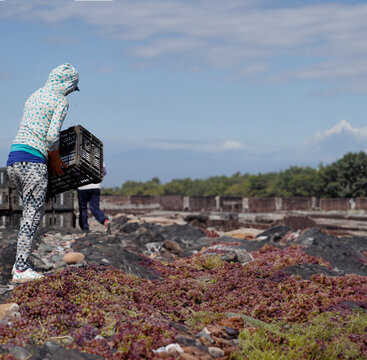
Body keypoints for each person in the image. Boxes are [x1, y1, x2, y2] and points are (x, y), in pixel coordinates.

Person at [7, 63, 79, 283]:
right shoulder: (60, 101)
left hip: (14, 159)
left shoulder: (35, 94)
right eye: (71, 88)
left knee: (30, 209)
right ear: (68, 85)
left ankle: (19, 264)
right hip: (34, 161)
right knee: (32, 214)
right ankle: (21, 269)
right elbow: (50, 136)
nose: (70, 93)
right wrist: (55, 158)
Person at [77, 163, 111, 234]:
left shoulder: (79, 156)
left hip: (83, 186)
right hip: (96, 186)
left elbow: (76, 173)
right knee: (95, 208)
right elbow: (104, 172)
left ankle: (85, 229)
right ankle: (105, 221)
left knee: (83, 208)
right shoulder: (99, 157)